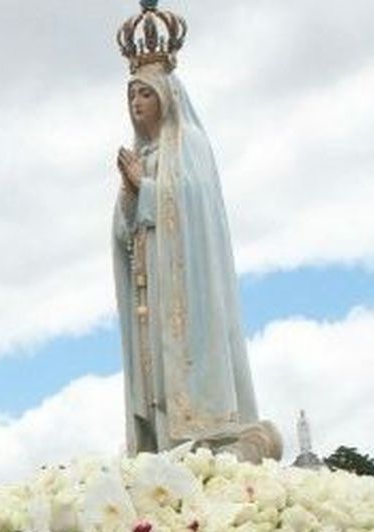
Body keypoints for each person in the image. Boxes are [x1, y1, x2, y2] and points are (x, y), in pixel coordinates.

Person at [112, 4, 278, 462]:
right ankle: (162, 442)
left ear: (166, 96)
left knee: (180, 367)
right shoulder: (143, 155)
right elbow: (125, 232)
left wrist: (141, 188)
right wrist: (131, 195)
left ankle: (204, 436)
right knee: (154, 379)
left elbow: (192, 207)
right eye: (131, 96)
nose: (136, 103)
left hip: (186, 288)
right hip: (149, 287)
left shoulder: (190, 145)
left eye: (144, 94)